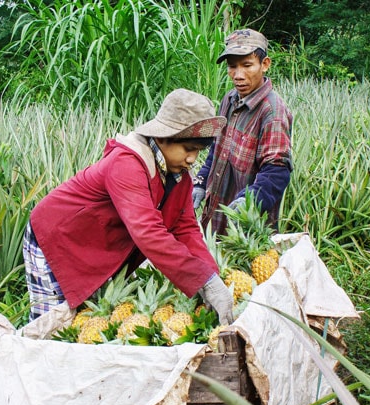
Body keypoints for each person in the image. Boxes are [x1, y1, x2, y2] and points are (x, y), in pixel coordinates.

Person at [22, 88, 235, 326]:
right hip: (56, 237)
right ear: (164, 137)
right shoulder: (126, 164)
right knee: (50, 327)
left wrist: (212, 276)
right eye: (188, 149)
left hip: (94, 244)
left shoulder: (179, 176)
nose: (192, 159)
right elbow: (148, 233)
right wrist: (202, 280)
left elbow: (185, 228)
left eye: (198, 151)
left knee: (84, 322)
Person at [192, 28, 294, 235]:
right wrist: (202, 180)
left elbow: (277, 170)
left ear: (265, 64)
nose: (238, 75)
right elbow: (217, 149)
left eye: (247, 65)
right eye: (232, 67)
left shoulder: (272, 111)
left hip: (247, 225)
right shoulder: (230, 99)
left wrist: (251, 202)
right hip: (217, 210)